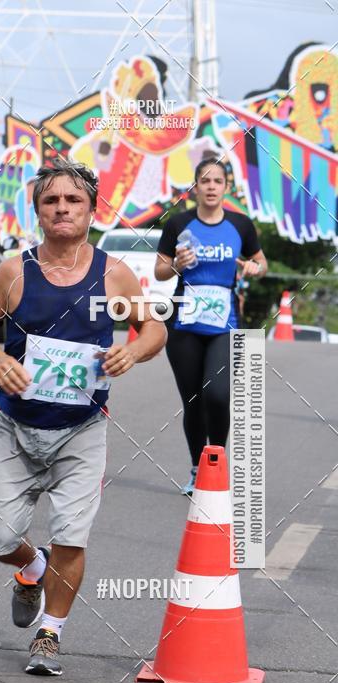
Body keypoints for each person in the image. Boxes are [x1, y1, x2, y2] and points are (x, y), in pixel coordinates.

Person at [0, 159, 166, 676]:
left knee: (72, 535)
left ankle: (50, 633)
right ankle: (33, 566)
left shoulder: (114, 274)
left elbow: (153, 330)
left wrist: (133, 353)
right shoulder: (15, 270)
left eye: (72, 200)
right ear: (37, 211)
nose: (62, 208)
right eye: (51, 200)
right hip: (14, 424)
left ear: (90, 210)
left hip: (83, 428)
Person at [154, 157, 267, 495]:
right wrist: (176, 264)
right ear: (196, 187)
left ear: (226, 187)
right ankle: (195, 469)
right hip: (183, 324)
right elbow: (159, 271)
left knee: (217, 396)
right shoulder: (178, 223)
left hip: (226, 324)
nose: (212, 187)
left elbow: (261, 262)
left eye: (218, 181)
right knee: (193, 400)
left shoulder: (241, 225)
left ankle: (216, 462)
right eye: (205, 181)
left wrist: (252, 268)